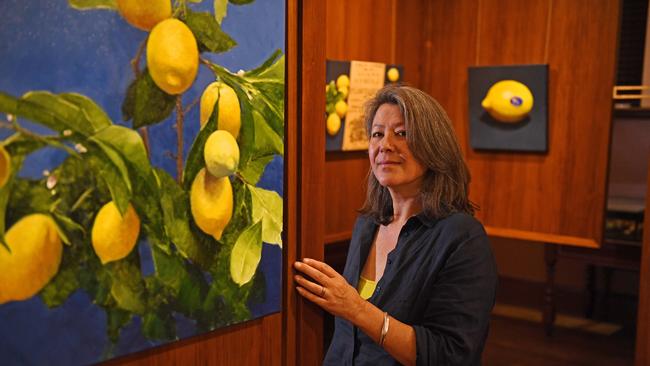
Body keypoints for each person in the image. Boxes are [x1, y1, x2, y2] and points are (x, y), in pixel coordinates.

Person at [293, 84, 498, 365]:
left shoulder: (463, 238)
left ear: (433, 145)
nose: (385, 145)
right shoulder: (367, 224)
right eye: (377, 134)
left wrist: (356, 309)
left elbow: (452, 354)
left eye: (402, 133)